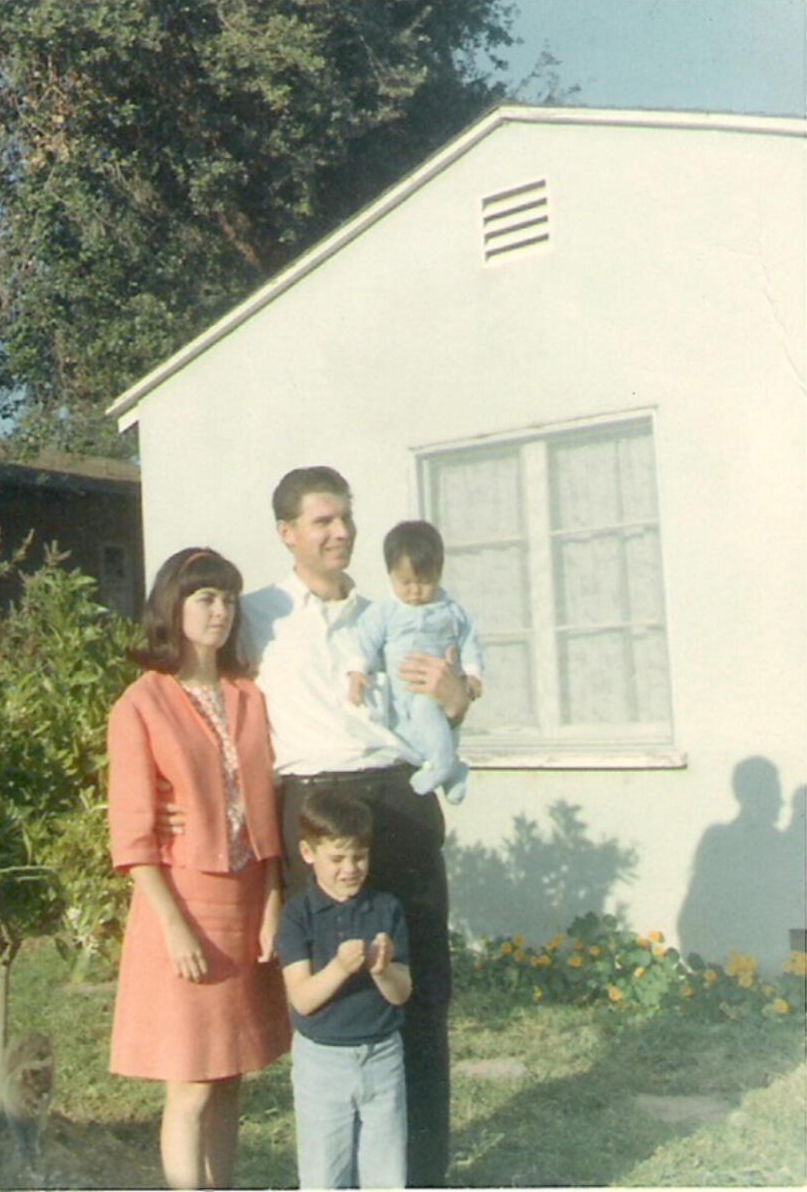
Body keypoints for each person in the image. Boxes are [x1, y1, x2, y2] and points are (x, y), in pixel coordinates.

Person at [239, 466, 470, 1187]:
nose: (340, 533)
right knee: (336, 997)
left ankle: (421, 1176)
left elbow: (451, 707)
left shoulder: (395, 612)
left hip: (398, 799)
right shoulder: (254, 616)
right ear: (287, 533)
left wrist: (454, 690)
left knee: (418, 986)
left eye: (346, 519)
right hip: (312, 803)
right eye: (321, 521)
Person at [106, 546, 291, 1190]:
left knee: (231, 1074)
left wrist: (272, 899)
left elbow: (265, 807)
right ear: (173, 608)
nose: (220, 612)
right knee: (190, 1084)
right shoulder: (141, 704)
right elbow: (132, 838)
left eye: (229, 599)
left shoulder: (248, 695)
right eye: (205, 599)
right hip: (181, 906)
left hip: (245, 903)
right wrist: (174, 928)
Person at [277, 787, 413, 1189]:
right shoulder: (297, 916)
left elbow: (401, 992)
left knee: (386, 1172)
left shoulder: (386, 908)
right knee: (324, 1174)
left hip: (382, 1056)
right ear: (307, 853)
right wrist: (338, 968)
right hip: (323, 1063)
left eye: (359, 856)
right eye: (336, 858)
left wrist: (382, 969)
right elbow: (302, 999)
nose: (350, 868)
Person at [346, 520, 484, 805]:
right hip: (399, 696)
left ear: (439, 574)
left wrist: (472, 673)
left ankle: (443, 766)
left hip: (433, 691)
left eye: (424, 582)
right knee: (411, 736)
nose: (415, 591)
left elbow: (469, 640)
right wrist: (358, 670)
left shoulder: (450, 611)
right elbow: (366, 639)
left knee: (431, 716)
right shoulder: (385, 612)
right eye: (405, 583)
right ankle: (452, 768)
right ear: (391, 576)